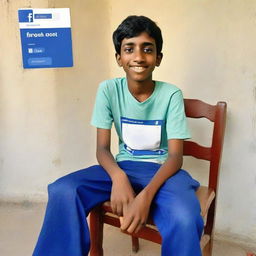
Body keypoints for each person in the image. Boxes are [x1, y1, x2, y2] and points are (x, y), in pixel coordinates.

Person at [33, 15, 204, 256]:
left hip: (163, 173)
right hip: (122, 167)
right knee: (63, 190)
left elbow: (176, 157)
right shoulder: (108, 90)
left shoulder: (171, 94)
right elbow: (102, 149)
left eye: (147, 49)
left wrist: (145, 196)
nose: (138, 56)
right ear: (119, 58)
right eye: (129, 49)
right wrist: (119, 177)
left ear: (158, 58)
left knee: (185, 217)